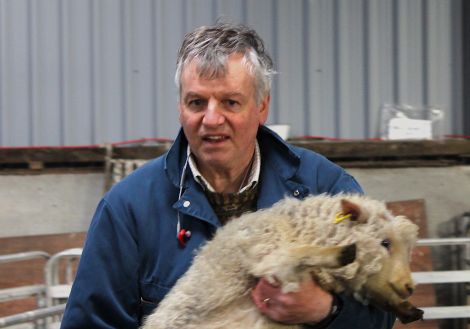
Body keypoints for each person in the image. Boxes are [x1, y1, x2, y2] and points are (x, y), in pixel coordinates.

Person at [61, 22, 395, 328]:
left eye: (230, 102)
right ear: (180, 107)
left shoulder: (325, 190)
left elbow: (382, 311)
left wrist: (326, 311)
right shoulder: (129, 210)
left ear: (261, 106)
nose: (211, 119)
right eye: (196, 102)